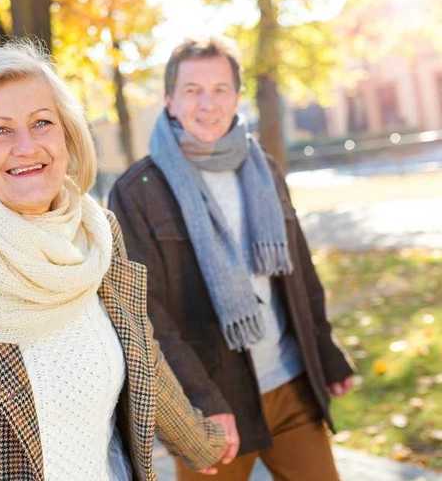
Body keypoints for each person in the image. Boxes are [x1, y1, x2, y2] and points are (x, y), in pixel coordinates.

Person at [0, 42, 227, 481]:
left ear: (66, 136)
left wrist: (201, 442)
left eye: (42, 123)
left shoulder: (95, 236)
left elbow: (142, 355)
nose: (26, 147)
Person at [109, 38, 354, 481]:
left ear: (237, 97)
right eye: (193, 90)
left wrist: (326, 351)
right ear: (169, 99)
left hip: (290, 386)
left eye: (221, 89)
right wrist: (199, 400)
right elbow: (147, 314)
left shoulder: (265, 169)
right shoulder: (137, 191)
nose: (208, 103)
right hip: (214, 408)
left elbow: (299, 270)